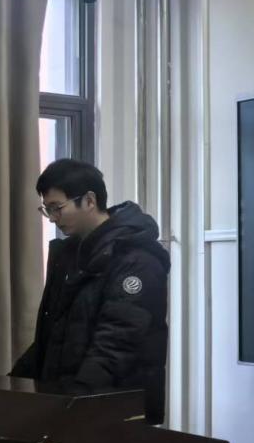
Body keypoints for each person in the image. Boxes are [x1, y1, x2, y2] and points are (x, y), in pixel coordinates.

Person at [11, 159, 169, 424]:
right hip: (69, 403)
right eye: (47, 210)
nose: (53, 218)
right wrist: (12, 385)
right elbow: (53, 335)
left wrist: (76, 403)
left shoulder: (135, 260)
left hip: (113, 408)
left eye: (57, 208)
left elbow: (117, 343)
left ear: (89, 200)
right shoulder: (69, 256)